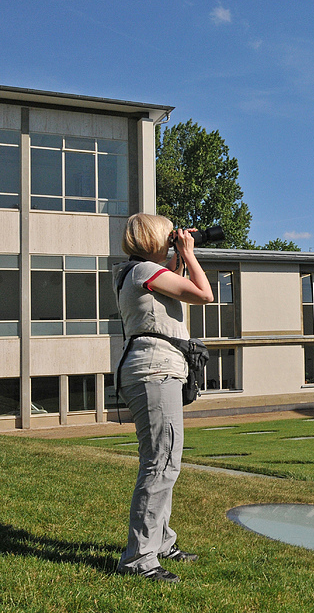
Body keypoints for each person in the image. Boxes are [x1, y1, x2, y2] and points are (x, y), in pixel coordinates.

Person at [113, 213, 214, 582]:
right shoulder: (141, 271)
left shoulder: (140, 272)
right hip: (154, 370)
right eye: (168, 236)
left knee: (163, 459)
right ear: (154, 239)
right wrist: (189, 254)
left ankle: (161, 542)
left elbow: (173, 283)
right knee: (161, 462)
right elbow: (204, 294)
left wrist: (176, 254)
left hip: (150, 369)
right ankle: (139, 559)